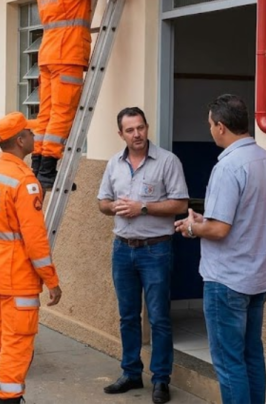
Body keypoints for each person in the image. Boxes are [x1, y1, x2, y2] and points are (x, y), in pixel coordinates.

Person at [175, 95, 266, 404]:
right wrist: (205, 220)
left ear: (221, 127)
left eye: (210, 125)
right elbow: (263, 216)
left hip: (227, 280)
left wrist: (192, 227)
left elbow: (220, 229)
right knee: (251, 355)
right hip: (258, 277)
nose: (210, 130)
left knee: (228, 362)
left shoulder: (228, 167)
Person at [33, 0, 148, 189]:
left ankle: (39, 167)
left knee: (47, 113)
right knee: (63, 112)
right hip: (68, 53)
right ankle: (49, 170)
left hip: (48, 54)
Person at [98, 107, 189, 404]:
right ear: (121, 134)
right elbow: (102, 202)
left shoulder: (167, 161)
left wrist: (144, 208)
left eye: (140, 128)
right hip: (123, 249)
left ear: (147, 127)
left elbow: (180, 204)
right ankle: (131, 372)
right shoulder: (114, 163)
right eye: (130, 130)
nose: (137, 134)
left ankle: (161, 379)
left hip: (156, 249)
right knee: (127, 316)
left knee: (160, 317)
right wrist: (114, 208)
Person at [0, 112, 62, 404]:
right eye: (31, 134)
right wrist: (52, 281)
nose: (35, 138)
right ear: (21, 140)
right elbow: (36, 241)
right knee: (17, 342)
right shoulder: (25, 182)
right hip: (18, 278)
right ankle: (9, 399)